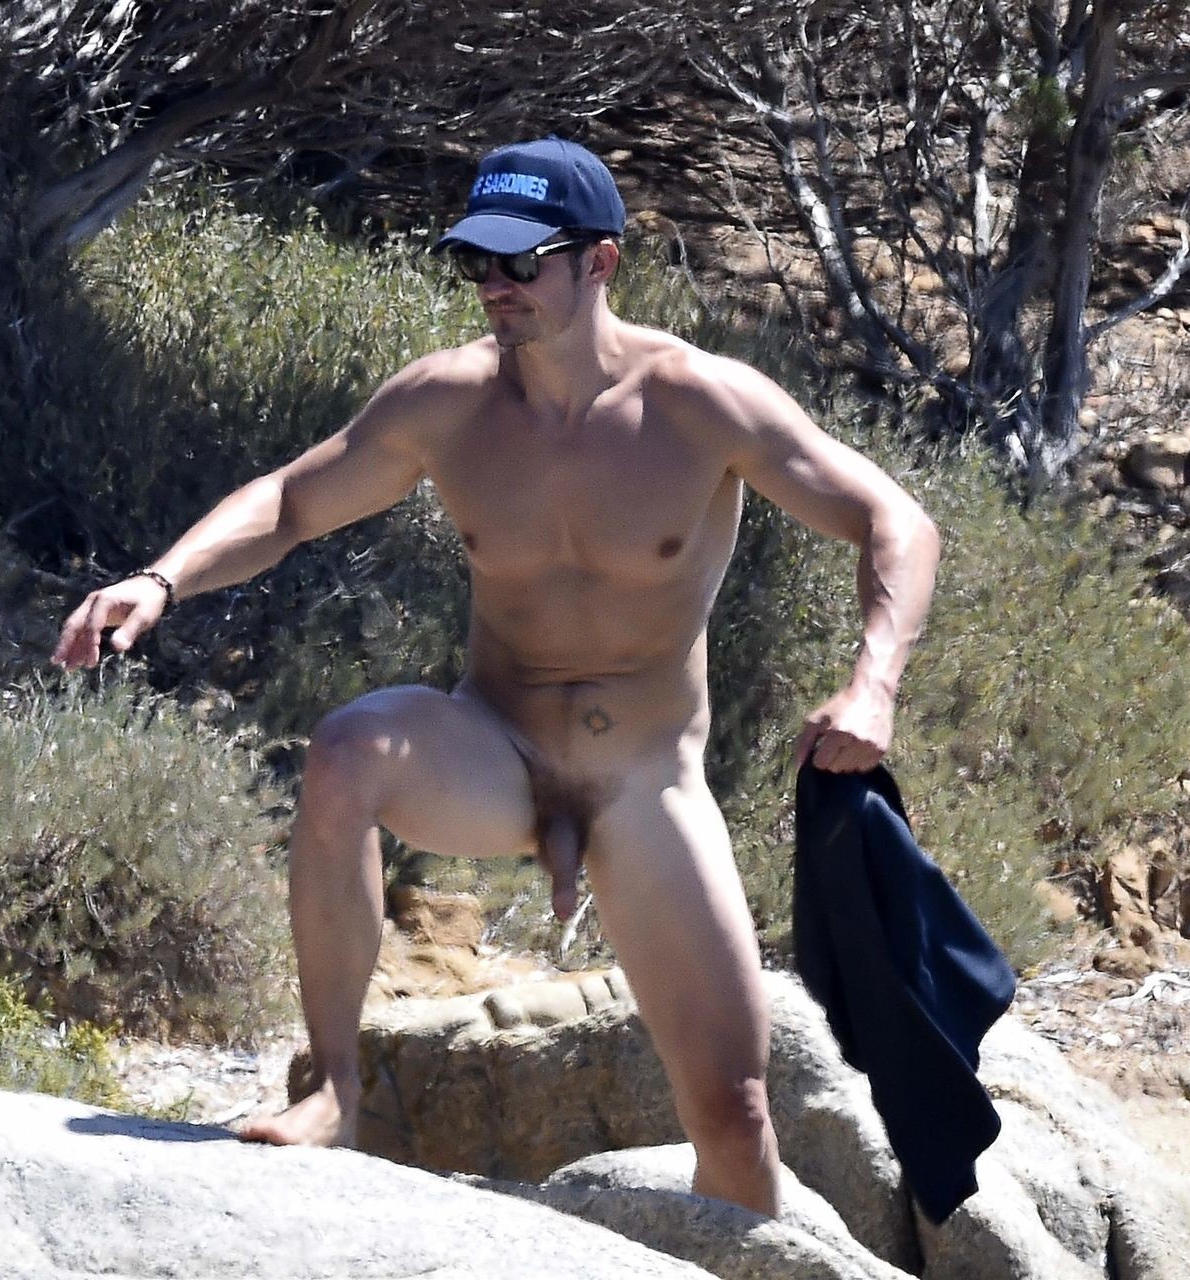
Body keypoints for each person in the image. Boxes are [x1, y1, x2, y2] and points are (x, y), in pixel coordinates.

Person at [51, 137, 940, 1217]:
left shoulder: (700, 402)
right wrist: (161, 579)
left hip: (646, 782)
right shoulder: (449, 402)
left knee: (736, 1113)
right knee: (347, 751)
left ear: (600, 262)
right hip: (497, 751)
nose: (494, 285)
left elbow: (896, 520)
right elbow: (290, 502)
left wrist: (873, 683)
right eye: (477, 260)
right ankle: (335, 1088)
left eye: (522, 263)